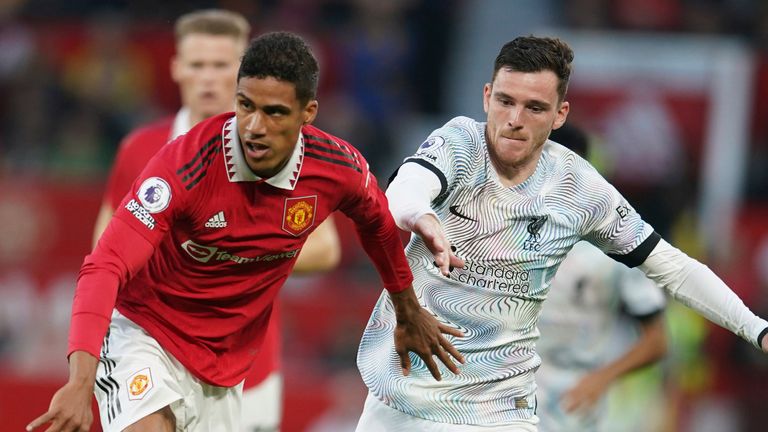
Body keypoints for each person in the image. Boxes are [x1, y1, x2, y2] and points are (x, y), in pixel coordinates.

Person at [27, 31, 463, 432]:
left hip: (225, 363)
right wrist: (80, 380)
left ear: (307, 113)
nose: (254, 127)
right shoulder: (184, 165)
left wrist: (407, 308)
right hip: (145, 331)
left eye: (274, 113)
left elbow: (378, 224)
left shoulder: (337, 168)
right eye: (246, 106)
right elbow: (104, 265)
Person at [355, 35, 768, 431]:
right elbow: (405, 188)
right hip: (399, 394)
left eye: (535, 108)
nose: (514, 120)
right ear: (486, 97)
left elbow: (671, 267)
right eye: (505, 102)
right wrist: (420, 216)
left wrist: (756, 329)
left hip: (498, 410)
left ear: (560, 114)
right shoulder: (459, 142)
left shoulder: (579, 189)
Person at [89, 11, 341, 431]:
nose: (208, 78)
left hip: (249, 365)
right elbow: (105, 251)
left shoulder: (280, 149)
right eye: (197, 65)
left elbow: (325, 247)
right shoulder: (141, 148)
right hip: (159, 349)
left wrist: (233, 255)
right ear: (175, 68)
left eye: (221, 65)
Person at [535, 124, 668, 432]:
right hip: (507, 396)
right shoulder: (506, 230)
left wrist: (601, 379)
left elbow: (657, 341)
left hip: (572, 403)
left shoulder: (619, 244)